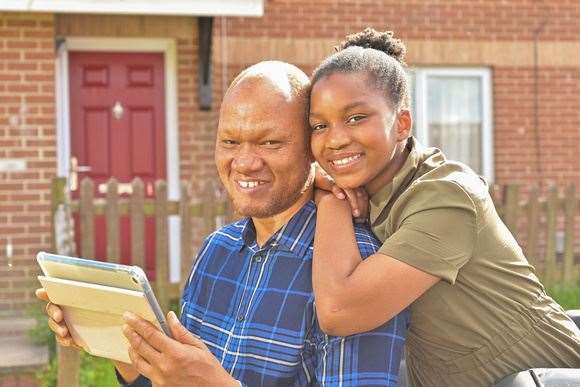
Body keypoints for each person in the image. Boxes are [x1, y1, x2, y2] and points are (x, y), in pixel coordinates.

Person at [36, 61, 408, 386]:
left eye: (270, 143)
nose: (244, 162)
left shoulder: (356, 270)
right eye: (230, 141)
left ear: (312, 149)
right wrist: (120, 345)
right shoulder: (218, 250)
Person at [308, 28, 580, 387]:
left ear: (402, 123)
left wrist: (330, 200)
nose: (336, 138)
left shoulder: (446, 196)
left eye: (356, 117)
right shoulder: (371, 191)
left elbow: (340, 311)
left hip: (542, 374)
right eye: (319, 125)